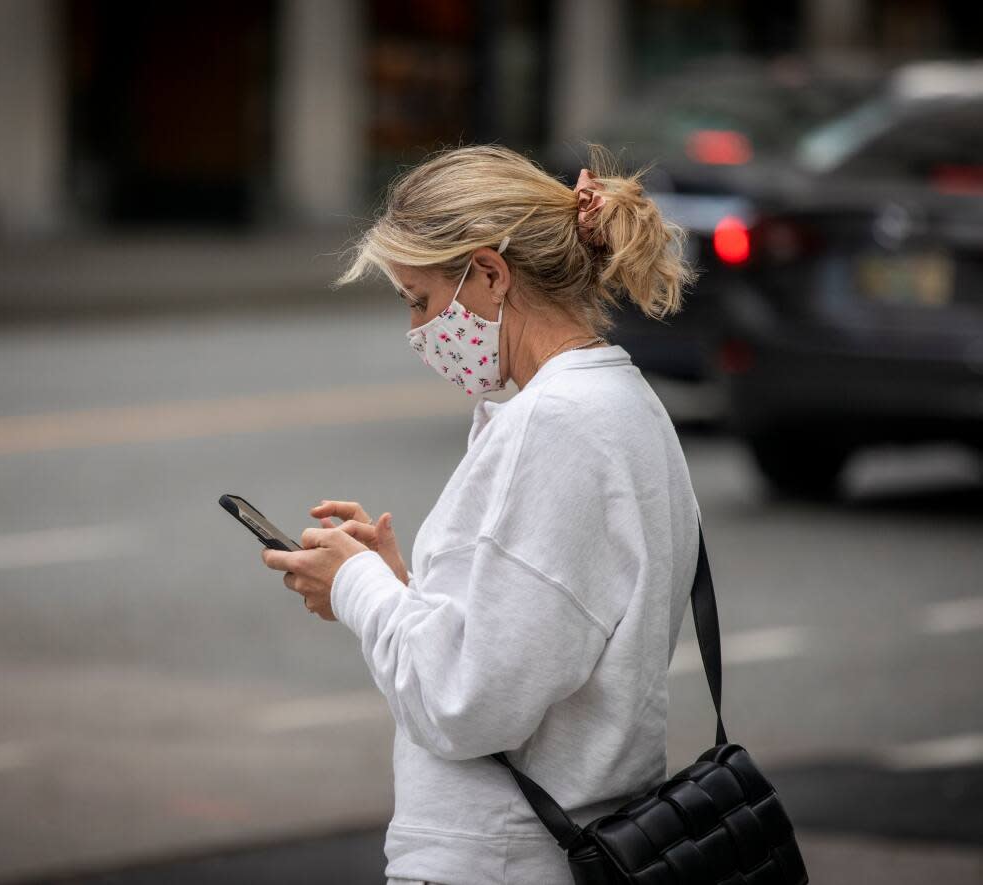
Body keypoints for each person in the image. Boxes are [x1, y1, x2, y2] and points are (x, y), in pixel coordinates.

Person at [260, 144, 702, 885]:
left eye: (421, 299)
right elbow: (536, 637)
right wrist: (405, 586)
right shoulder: (622, 402)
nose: (417, 330)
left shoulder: (556, 425)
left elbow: (462, 702)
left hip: (503, 856)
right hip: (573, 840)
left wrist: (359, 589)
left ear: (491, 274)